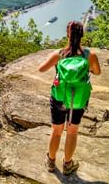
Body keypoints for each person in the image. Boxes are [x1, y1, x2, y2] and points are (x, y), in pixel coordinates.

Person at [38, 20, 101, 175]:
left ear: (67, 34)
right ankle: (68, 165)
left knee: (57, 131)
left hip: (59, 97)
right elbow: (97, 72)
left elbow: (41, 69)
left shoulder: (59, 54)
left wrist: (53, 60)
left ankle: (51, 162)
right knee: (72, 132)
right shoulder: (89, 55)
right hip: (78, 100)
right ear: (82, 35)